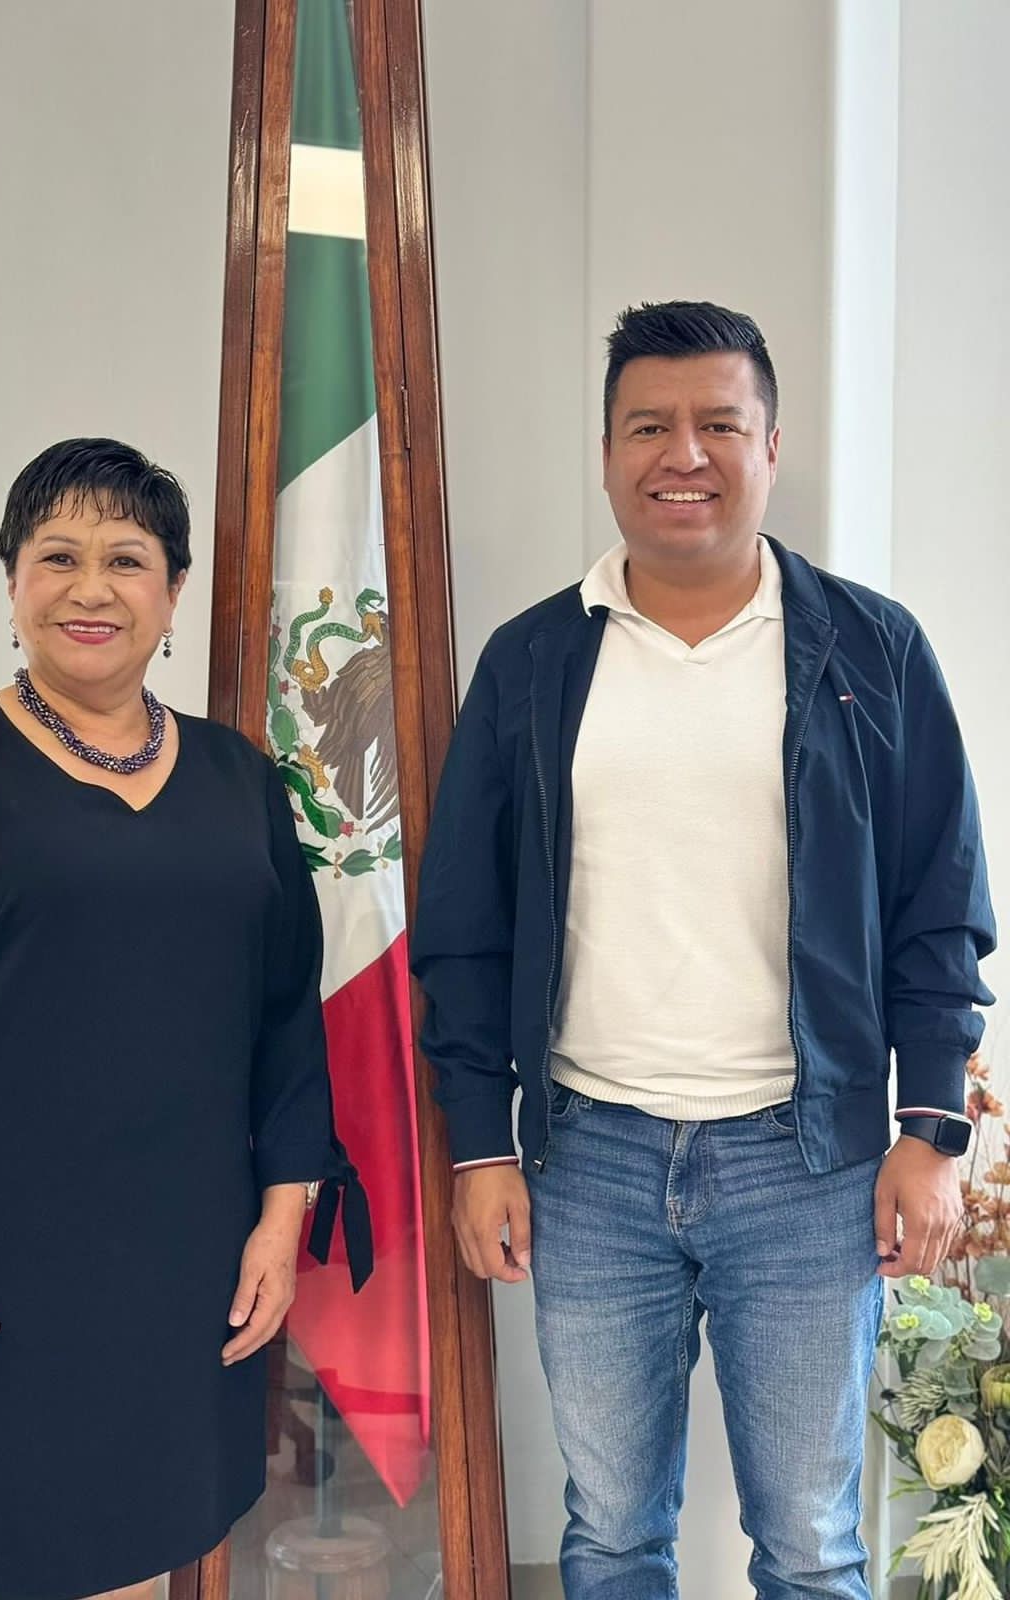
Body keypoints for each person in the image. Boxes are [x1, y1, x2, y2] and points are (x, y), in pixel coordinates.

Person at [411, 302, 995, 1599]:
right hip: (590, 1163)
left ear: (770, 447)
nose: (683, 454)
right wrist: (480, 1143)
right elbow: (463, 927)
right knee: (611, 1535)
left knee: (810, 1544)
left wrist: (928, 1129)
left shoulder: (870, 652)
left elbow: (939, 906)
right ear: (606, 453)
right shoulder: (532, 662)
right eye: (649, 426)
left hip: (807, 1163)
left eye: (718, 424)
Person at [0, 438, 371, 1600]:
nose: (92, 588)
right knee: (9, 1555)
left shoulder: (239, 781)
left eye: (126, 560)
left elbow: (285, 1016)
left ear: (172, 594)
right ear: (11, 583)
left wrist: (280, 1217)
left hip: (179, 1261)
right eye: (57, 556)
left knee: (140, 1557)